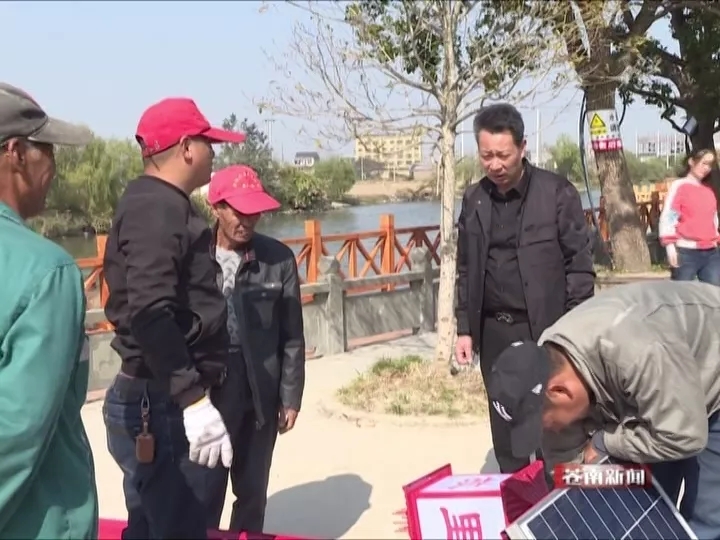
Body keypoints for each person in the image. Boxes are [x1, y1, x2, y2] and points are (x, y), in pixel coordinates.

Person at [102, 97, 247, 539]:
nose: (214, 152)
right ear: (186, 148)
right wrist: (193, 400)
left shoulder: (160, 202)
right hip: (161, 402)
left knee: (152, 524)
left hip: (160, 396)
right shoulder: (157, 207)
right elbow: (149, 311)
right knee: (178, 526)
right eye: (207, 143)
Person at [486, 280, 720, 539]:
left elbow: (685, 436)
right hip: (658, 387)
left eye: (545, 424)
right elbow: (564, 467)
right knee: (649, 500)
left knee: (704, 519)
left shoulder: (637, 352)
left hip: (712, 363)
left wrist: (605, 442)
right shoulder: (547, 366)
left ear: (561, 391)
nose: (548, 432)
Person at [454, 103, 595, 473]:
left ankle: (557, 499)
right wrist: (464, 329)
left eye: (503, 155)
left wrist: (574, 331)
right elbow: (465, 268)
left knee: (553, 421)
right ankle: (516, 493)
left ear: (522, 147)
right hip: (494, 330)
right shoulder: (474, 199)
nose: (495, 165)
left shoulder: (557, 193)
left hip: (547, 327)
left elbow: (579, 266)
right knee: (507, 426)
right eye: (486, 156)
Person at [0, 82, 98, 538]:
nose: (54, 168)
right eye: (48, 151)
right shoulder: (46, 271)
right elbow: (15, 433)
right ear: (16, 154)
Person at [204, 164, 306, 533]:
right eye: (238, 211)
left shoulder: (278, 260)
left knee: (252, 491)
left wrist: (290, 396)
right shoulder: (192, 256)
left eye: (254, 212)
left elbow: (292, 335)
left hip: (259, 386)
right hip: (208, 389)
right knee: (204, 490)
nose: (247, 220)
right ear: (217, 207)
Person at [659, 148, 720, 285]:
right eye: (704, 163)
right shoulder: (679, 186)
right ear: (692, 162)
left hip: (711, 252)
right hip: (686, 252)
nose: (706, 168)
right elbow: (669, 216)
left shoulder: (709, 191)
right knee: (681, 293)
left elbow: (713, 219)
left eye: (710, 165)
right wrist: (670, 247)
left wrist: (715, 240)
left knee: (714, 294)